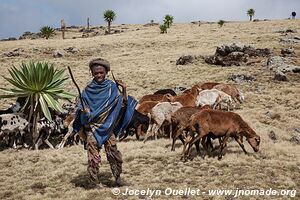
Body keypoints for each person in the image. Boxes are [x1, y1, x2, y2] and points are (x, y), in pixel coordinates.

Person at [72, 58, 137, 187]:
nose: (99, 75)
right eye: (96, 73)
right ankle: (94, 181)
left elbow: (122, 103)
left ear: (106, 72)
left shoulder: (112, 87)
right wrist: (83, 110)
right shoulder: (87, 90)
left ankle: (118, 178)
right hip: (92, 128)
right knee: (93, 156)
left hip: (108, 128)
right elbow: (81, 107)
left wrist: (124, 89)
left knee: (113, 153)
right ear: (92, 73)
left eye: (101, 72)